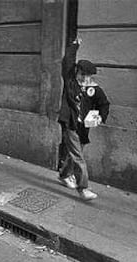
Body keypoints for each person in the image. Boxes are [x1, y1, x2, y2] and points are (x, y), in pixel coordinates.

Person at [58, 37, 110, 200]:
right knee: (78, 157)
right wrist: (75, 46)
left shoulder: (94, 90)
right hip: (70, 124)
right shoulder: (70, 82)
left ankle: (64, 175)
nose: (84, 79)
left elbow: (104, 104)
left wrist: (101, 117)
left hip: (83, 127)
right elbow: (67, 61)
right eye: (82, 74)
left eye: (88, 76)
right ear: (76, 72)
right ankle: (83, 189)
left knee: (74, 154)